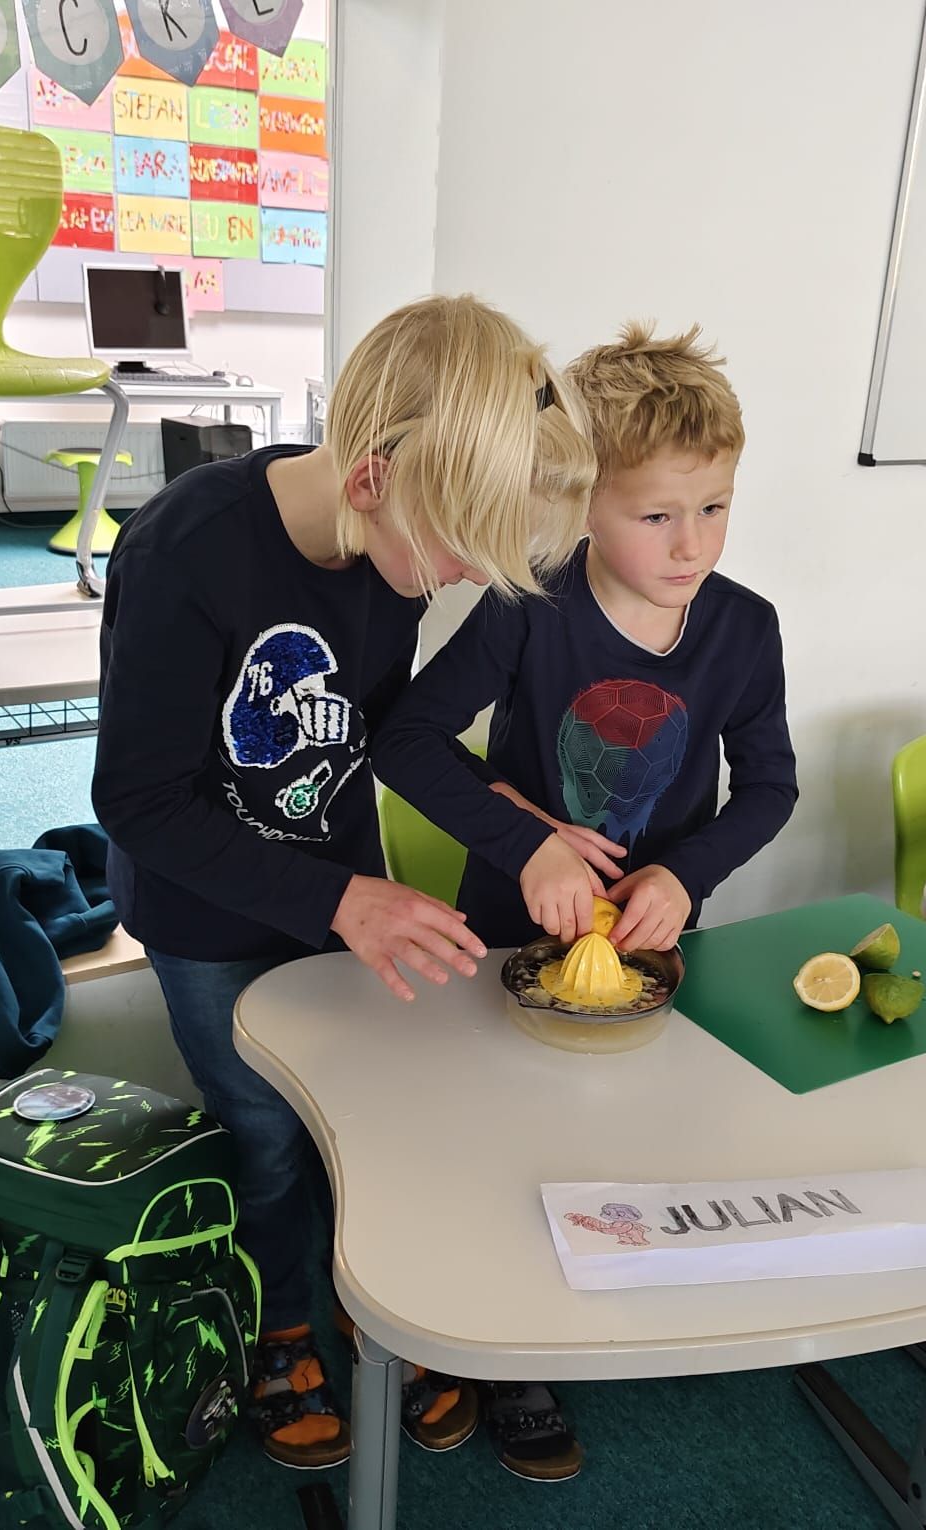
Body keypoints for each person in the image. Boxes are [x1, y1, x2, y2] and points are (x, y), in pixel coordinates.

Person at [92, 294, 597, 1470]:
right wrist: (339, 901)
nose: (465, 575)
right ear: (371, 478)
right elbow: (137, 802)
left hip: (331, 886)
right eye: (462, 547)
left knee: (369, 1118)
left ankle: (383, 1305)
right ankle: (281, 1329)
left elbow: (362, 725)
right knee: (264, 1133)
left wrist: (496, 809)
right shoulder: (182, 553)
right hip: (207, 916)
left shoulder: (398, 550)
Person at [374, 324, 798, 1478]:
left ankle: (600, 1303)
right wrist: (524, 845)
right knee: (505, 1143)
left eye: (714, 507)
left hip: (656, 948)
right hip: (511, 936)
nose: (690, 542)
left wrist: (682, 872)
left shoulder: (743, 629)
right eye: (657, 513)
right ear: (582, 506)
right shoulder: (530, 607)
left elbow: (771, 786)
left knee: (626, 1135)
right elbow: (404, 738)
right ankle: (506, 1355)